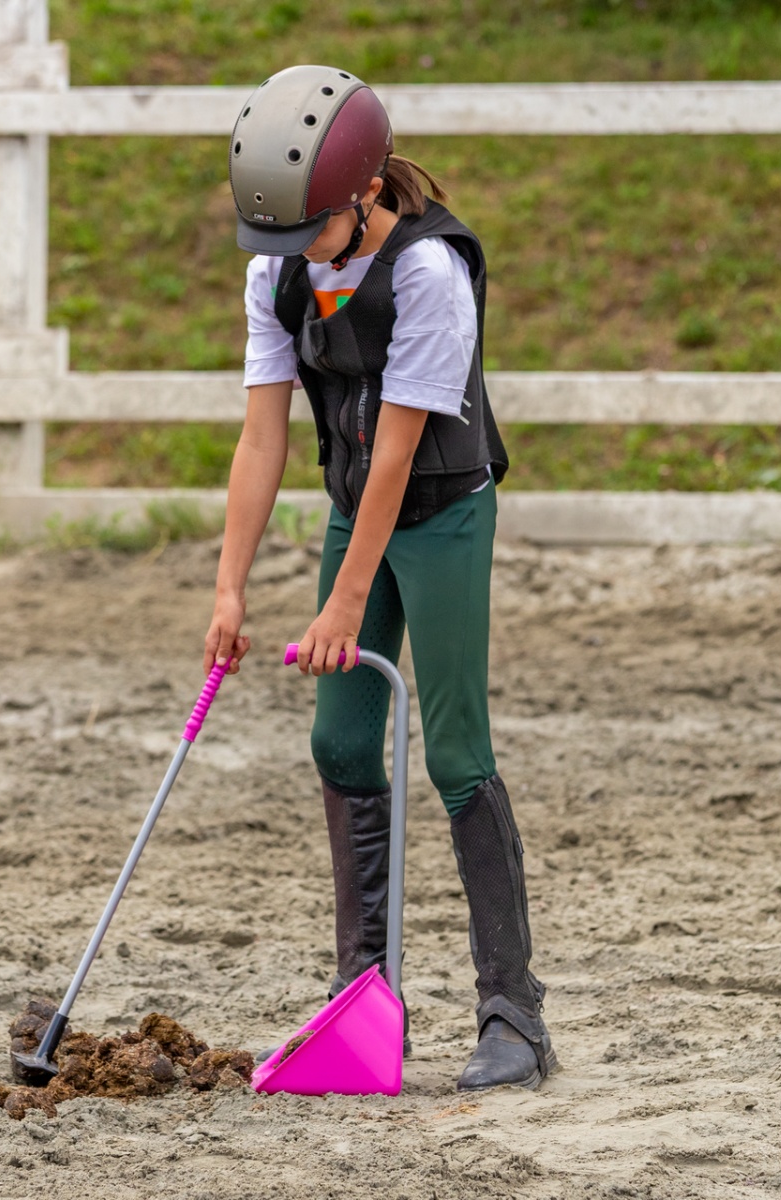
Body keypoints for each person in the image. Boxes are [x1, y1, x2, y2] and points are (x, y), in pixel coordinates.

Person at [202, 64, 557, 1090]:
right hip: (359, 509)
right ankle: (366, 1004)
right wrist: (231, 587)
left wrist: (344, 602)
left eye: (308, 231)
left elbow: (400, 455)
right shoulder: (280, 269)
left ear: (361, 197)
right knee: (341, 739)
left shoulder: (430, 274)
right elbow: (263, 438)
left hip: (441, 517)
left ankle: (514, 1015)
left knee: (455, 749)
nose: (291, 257)